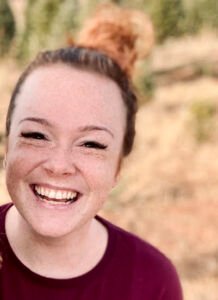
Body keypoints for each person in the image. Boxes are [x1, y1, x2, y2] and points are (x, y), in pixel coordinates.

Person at [0, 4, 183, 300]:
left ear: (117, 169)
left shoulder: (151, 281)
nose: (59, 166)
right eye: (37, 135)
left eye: (91, 144)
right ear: (8, 147)